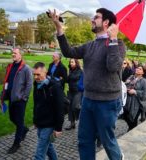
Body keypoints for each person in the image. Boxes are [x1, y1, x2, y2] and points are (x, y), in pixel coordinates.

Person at [49, 7, 125, 160]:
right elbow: (68, 52)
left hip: (107, 102)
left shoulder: (119, 44)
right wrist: (59, 27)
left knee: (107, 140)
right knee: (84, 140)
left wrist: (114, 39)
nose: (92, 19)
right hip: (88, 99)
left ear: (106, 22)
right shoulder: (89, 45)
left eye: (96, 17)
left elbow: (113, 66)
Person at [0, 48, 32, 154]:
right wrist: (3, 94)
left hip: (20, 100)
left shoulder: (26, 68)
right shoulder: (10, 66)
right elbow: (6, 81)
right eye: (12, 53)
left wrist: (24, 97)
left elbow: (29, 84)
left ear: (20, 55)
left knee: (19, 121)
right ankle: (24, 129)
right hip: (11, 98)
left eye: (15, 53)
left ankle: (16, 144)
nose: (13, 55)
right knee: (12, 118)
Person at [33, 62, 64, 160]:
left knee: (39, 154)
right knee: (49, 147)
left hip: (49, 125)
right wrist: (35, 120)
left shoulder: (55, 87)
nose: (36, 77)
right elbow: (36, 104)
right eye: (34, 74)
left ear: (45, 72)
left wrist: (58, 128)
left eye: (38, 74)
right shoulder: (36, 84)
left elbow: (60, 108)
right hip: (40, 123)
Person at [123, 65, 146, 131]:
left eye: (140, 69)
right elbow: (125, 86)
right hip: (127, 102)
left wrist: (135, 92)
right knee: (125, 116)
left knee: (133, 120)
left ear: (143, 72)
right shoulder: (130, 78)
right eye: (137, 68)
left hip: (137, 104)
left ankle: (131, 131)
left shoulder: (144, 81)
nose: (137, 69)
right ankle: (131, 128)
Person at [65, 58, 83, 130]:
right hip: (71, 91)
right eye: (70, 62)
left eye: (72, 62)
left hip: (77, 91)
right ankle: (72, 124)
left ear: (76, 63)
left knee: (75, 107)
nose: (70, 63)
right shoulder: (70, 70)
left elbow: (74, 77)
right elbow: (67, 80)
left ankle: (82, 120)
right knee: (69, 107)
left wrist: (69, 76)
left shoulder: (79, 71)